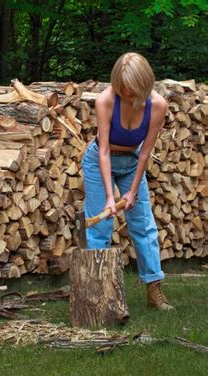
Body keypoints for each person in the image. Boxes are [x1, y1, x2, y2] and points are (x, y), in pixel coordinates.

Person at [82, 52, 173, 310]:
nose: (128, 96)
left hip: (133, 161)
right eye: (123, 90)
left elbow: (145, 151)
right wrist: (111, 198)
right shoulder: (106, 100)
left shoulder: (158, 105)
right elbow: (102, 150)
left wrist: (132, 191)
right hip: (100, 160)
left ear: (144, 84)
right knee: (100, 226)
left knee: (144, 225)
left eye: (132, 91)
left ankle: (154, 289)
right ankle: (96, 293)